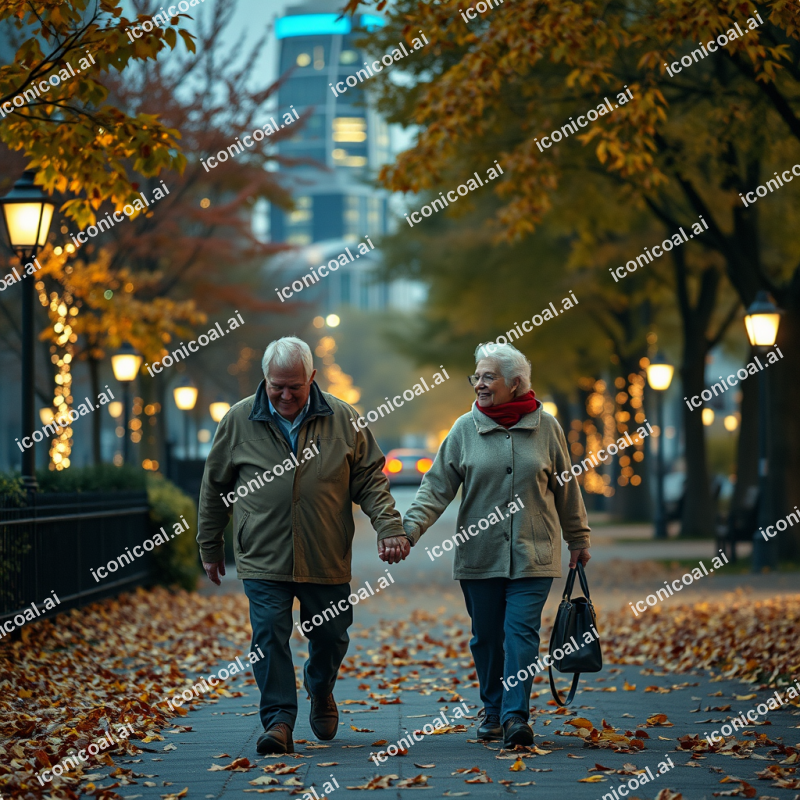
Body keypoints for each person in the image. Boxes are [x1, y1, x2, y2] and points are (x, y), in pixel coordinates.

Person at [197, 336, 410, 755]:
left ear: (312, 377)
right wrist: (209, 545)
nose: (286, 394)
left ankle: (320, 686)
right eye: (278, 385)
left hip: (324, 552)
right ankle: (278, 721)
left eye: (295, 385)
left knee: (332, 635)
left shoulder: (343, 418)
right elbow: (214, 486)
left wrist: (389, 527)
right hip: (262, 555)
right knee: (268, 636)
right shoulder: (239, 420)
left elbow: (370, 478)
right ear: (265, 378)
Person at [401, 342, 591, 746]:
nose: (479, 385)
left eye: (489, 377)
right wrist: (409, 530)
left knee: (520, 634)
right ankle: (492, 710)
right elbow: (436, 488)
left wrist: (578, 538)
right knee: (486, 637)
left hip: (533, 554)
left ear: (516, 384)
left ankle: (515, 717)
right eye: (477, 377)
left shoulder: (547, 427)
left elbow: (565, 486)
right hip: (480, 554)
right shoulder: (464, 429)